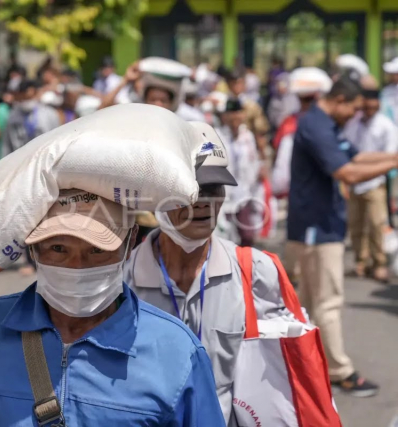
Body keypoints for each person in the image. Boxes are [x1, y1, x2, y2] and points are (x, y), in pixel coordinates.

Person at [0, 189, 225, 426]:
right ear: (32, 248)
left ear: (130, 241)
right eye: (58, 248)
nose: (77, 267)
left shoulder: (177, 352)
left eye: (97, 250)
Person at [125, 135, 295, 426]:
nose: (202, 200)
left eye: (213, 188)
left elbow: (284, 368)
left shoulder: (255, 272)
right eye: (187, 189)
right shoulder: (121, 281)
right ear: (155, 196)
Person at [287, 77, 398, 397]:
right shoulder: (317, 126)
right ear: (338, 99)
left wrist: (392, 158)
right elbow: (347, 173)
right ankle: (339, 371)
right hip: (316, 229)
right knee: (327, 302)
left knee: (309, 303)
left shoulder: (324, 124)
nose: (355, 114)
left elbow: (357, 157)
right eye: (353, 107)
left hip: (317, 226)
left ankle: (303, 364)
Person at [343, 88, 398, 281]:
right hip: (353, 180)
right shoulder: (353, 123)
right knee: (356, 223)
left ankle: (379, 262)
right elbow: (346, 150)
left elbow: (391, 155)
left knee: (376, 223)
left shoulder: (386, 126)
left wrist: (361, 163)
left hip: (375, 181)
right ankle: (361, 261)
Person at [216, 99, 261, 246]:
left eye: (238, 114)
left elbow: (253, 162)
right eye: (231, 114)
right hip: (225, 195)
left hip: (244, 194)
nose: (235, 118)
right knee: (225, 237)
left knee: (247, 236)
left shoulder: (247, 136)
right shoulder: (218, 135)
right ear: (225, 116)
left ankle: (245, 267)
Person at [3, 80, 61, 156]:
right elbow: (7, 144)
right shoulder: (13, 116)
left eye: (31, 97)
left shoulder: (50, 114)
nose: (27, 101)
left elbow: (57, 138)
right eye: (24, 97)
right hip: (19, 160)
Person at [226, 70, 270, 157]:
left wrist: (262, 154)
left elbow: (259, 130)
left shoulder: (251, 106)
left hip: (246, 146)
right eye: (233, 83)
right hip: (226, 143)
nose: (236, 86)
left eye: (239, 83)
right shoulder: (222, 103)